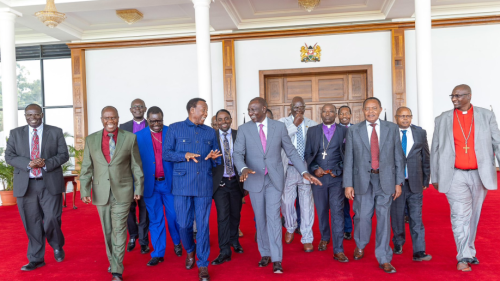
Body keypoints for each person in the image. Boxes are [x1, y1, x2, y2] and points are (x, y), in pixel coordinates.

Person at [233, 97, 321, 274]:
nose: (250, 113)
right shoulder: (244, 129)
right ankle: (264, 252)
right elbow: (237, 153)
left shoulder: (278, 127)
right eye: (249, 110)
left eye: (254, 110)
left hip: (274, 179)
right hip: (255, 178)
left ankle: (277, 258)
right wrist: (243, 168)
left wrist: (304, 172)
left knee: (273, 217)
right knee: (261, 218)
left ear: (264, 109)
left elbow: (291, 152)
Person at [431, 84, 500, 272]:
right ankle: (463, 256)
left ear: (469, 96)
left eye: (458, 96)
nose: (454, 99)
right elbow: (435, 148)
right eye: (452, 96)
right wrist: (435, 176)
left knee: (473, 216)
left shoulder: (486, 116)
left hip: (480, 174)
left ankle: (469, 249)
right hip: (454, 174)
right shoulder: (443, 119)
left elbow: (497, 142)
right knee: (459, 215)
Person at [80, 106, 144, 281]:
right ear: (102, 119)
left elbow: (136, 166)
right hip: (101, 191)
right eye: (107, 117)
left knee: (119, 228)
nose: (110, 121)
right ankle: (113, 259)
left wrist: (138, 188)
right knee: (107, 230)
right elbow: (87, 167)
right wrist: (84, 189)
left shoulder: (130, 138)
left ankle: (117, 269)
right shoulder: (91, 139)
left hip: (123, 191)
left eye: (113, 117)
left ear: (118, 118)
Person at [343, 97, 404, 274]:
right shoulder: (354, 130)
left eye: (374, 108)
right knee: (362, 216)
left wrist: (398, 182)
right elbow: (349, 159)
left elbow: (398, 156)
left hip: (385, 181)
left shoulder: (391, 128)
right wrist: (348, 184)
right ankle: (361, 244)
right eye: (367, 108)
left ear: (380, 109)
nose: (370, 111)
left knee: (383, 219)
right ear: (363, 111)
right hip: (362, 181)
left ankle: (384, 257)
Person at [5, 104, 69, 271]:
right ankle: (36, 258)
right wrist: (28, 163)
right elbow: (9, 156)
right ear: (25, 115)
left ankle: (56, 245)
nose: (32, 117)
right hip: (26, 186)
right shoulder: (16, 133)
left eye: (36, 114)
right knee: (31, 222)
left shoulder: (55, 132)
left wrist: (45, 163)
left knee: (52, 218)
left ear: (42, 114)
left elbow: (63, 155)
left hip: (49, 183)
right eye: (29, 114)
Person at [163, 98, 221, 281]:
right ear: (191, 109)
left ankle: (203, 264)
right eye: (203, 109)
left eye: (206, 110)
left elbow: (218, 159)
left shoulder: (211, 132)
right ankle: (190, 250)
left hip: (203, 184)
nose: (205, 113)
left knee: (203, 226)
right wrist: (184, 155)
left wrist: (213, 157)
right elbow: (166, 154)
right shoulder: (174, 128)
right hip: (182, 185)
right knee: (183, 224)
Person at [135, 106, 182, 267]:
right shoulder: (138, 137)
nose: (156, 123)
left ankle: (177, 242)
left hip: (170, 184)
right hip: (150, 185)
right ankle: (158, 253)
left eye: (159, 120)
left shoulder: (172, 132)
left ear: (163, 118)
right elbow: (134, 163)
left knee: (174, 217)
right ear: (147, 120)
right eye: (153, 120)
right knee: (156, 220)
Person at [305, 104, 348, 261]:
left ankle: (338, 249)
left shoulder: (344, 131)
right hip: (318, 179)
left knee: (337, 211)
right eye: (325, 111)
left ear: (335, 114)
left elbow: (349, 154)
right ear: (320, 113)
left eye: (331, 111)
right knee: (322, 210)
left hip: (337, 179)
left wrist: (338, 170)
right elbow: (308, 153)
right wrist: (315, 168)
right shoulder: (313, 131)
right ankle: (325, 237)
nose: (328, 113)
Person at [390, 107, 432, 262]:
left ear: (412, 117)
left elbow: (426, 157)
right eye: (402, 116)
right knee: (397, 216)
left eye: (408, 116)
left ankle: (419, 251)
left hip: (415, 182)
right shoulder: (390, 132)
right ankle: (398, 242)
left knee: (416, 217)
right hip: (396, 184)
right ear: (396, 117)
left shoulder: (420, 133)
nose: (405, 119)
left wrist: (426, 179)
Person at [278, 96, 317, 252]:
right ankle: (290, 226)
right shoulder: (282, 123)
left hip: (306, 170)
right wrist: (294, 125)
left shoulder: (312, 125)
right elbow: (279, 141)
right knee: (287, 202)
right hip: (288, 168)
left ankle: (307, 237)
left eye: (301, 108)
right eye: (296, 108)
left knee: (306, 204)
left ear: (305, 108)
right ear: (290, 107)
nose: (299, 110)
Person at [211, 109, 245, 266]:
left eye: (226, 118)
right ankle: (224, 250)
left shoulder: (239, 135)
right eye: (220, 119)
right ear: (216, 122)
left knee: (235, 214)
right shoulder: (211, 137)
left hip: (236, 181)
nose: (223, 121)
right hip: (220, 183)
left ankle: (234, 240)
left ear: (231, 120)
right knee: (223, 216)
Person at [119, 98, 150, 254]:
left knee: (145, 208)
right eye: (135, 107)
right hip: (128, 174)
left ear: (145, 109)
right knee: (129, 207)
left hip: (146, 174)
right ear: (131, 110)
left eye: (141, 106)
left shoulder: (152, 124)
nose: (138, 109)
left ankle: (144, 240)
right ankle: (133, 235)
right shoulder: (123, 127)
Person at [338, 105, 354, 240]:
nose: (344, 116)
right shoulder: (335, 130)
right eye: (341, 114)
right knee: (343, 203)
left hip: (358, 172)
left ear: (350, 115)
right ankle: (347, 229)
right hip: (341, 173)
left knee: (360, 203)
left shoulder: (357, 128)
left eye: (346, 113)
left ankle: (359, 226)